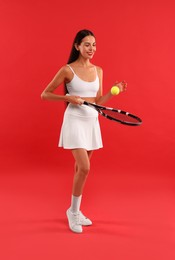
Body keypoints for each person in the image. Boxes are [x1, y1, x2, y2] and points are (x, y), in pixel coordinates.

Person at [41, 29, 127, 233]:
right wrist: (67, 98)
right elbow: (45, 95)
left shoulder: (99, 70)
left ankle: (75, 211)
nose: (91, 49)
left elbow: (97, 102)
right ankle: (72, 212)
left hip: (91, 121)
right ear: (77, 46)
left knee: (80, 170)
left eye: (94, 44)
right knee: (85, 167)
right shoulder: (67, 70)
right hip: (74, 120)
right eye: (87, 44)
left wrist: (113, 93)